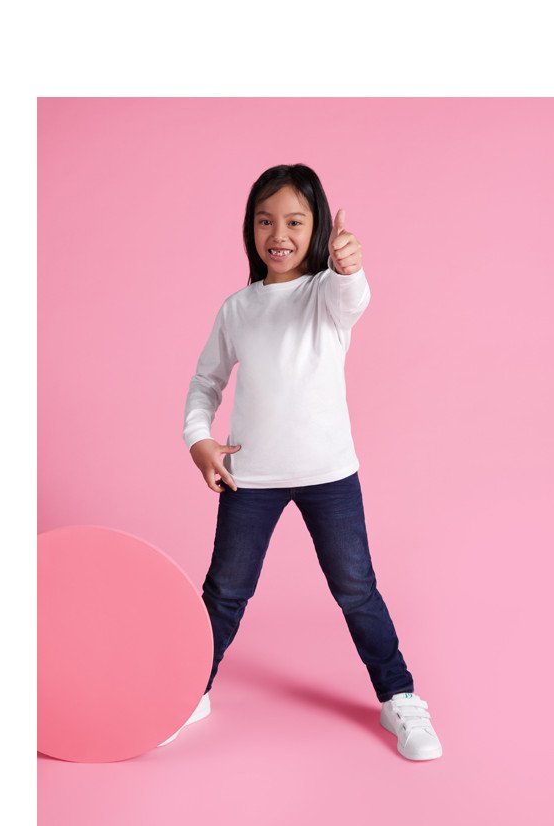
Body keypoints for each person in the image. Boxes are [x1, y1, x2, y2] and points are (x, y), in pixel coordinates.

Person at [169, 163, 441, 761]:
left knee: (356, 589)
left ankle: (399, 697)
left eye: (295, 221)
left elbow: (353, 296)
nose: (279, 234)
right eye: (265, 221)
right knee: (225, 592)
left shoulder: (326, 295)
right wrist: (199, 439)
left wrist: (349, 265)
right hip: (250, 478)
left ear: (317, 227)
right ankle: (189, 690)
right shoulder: (237, 308)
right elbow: (205, 381)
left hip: (328, 476)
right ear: (250, 229)